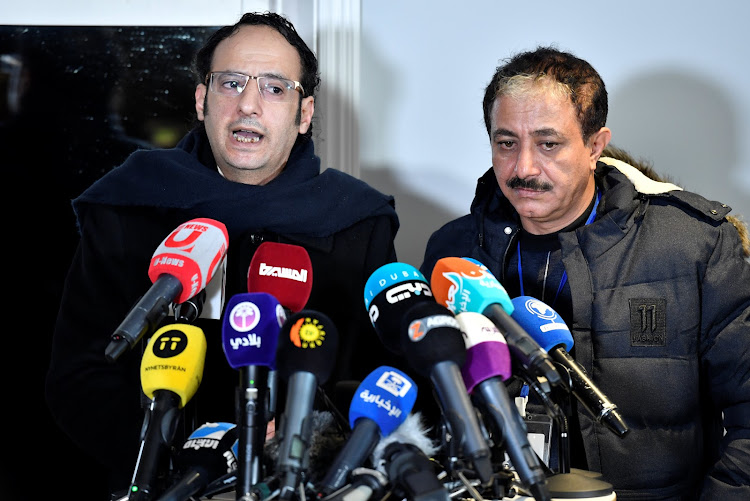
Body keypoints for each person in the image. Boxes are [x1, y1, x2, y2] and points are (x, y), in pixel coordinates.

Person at [45, 12, 400, 498]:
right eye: (230, 84)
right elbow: (79, 377)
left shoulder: (358, 222)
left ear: (304, 114)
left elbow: (377, 381)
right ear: (201, 101)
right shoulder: (129, 208)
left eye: (275, 88)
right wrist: (183, 456)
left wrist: (311, 442)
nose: (248, 105)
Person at [420, 46, 750, 499]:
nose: (523, 168)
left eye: (548, 143)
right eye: (506, 143)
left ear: (595, 145)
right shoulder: (453, 250)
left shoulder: (693, 245)